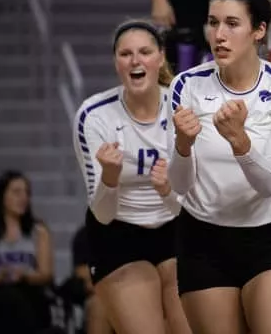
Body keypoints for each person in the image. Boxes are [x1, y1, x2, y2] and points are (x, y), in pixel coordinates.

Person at [167, 0, 271, 334]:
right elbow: (179, 185)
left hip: (267, 239)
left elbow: (269, 184)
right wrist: (183, 145)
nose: (219, 35)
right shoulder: (186, 85)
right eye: (213, 22)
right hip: (202, 240)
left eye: (232, 24)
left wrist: (239, 140)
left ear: (259, 31)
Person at [73, 19, 191, 334]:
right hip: (117, 235)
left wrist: (168, 191)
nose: (135, 60)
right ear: (116, 63)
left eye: (144, 52)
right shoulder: (93, 115)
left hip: (177, 228)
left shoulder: (183, 108)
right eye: (126, 54)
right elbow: (102, 213)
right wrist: (110, 177)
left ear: (160, 57)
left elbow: (197, 203)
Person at [0, 170, 54, 334]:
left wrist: (24, 276)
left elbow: (46, 275)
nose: (23, 198)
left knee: (20, 301)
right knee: (7, 300)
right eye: (16, 192)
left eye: (26, 193)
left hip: (29, 294)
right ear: (1, 196)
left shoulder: (39, 231)